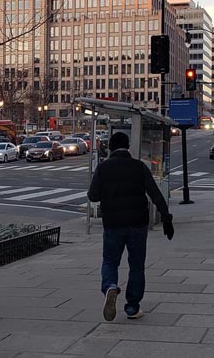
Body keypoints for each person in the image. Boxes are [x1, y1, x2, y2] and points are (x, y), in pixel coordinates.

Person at [87, 132, 174, 322]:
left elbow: (92, 196)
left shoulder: (103, 168)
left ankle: (110, 286)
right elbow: (155, 193)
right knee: (136, 265)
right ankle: (132, 307)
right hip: (137, 223)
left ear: (110, 147)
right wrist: (166, 218)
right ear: (128, 147)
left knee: (110, 261)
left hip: (113, 223)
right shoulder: (139, 167)